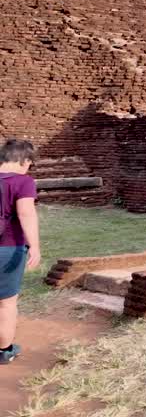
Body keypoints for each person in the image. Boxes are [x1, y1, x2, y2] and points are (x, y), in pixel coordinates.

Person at [0, 139, 39, 366]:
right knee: (6, 303)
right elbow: (26, 213)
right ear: (24, 160)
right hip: (7, 248)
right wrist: (34, 245)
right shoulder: (23, 182)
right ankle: (4, 351)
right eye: (30, 163)